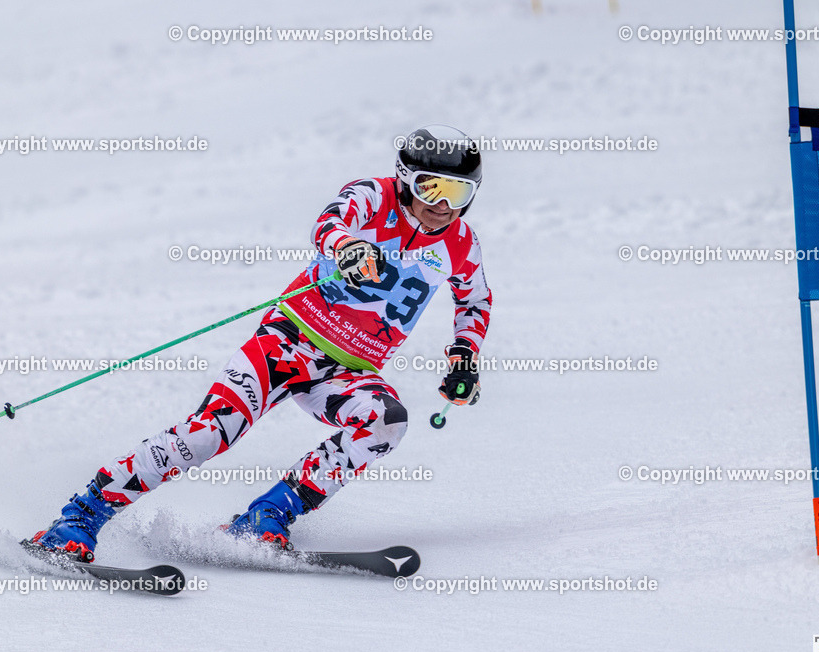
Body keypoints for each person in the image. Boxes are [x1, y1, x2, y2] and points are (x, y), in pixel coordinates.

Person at [25, 125, 493, 561]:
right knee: (210, 433)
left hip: (349, 371)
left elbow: (474, 299)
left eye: (458, 193)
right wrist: (344, 246)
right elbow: (328, 222)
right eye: (431, 188)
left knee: (385, 422)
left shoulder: (460, 243)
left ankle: (267, 516)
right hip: (287, 342)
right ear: (406, 179)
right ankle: (79, 518)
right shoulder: (374, 196)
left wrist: (465, 356)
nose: (442, 204)